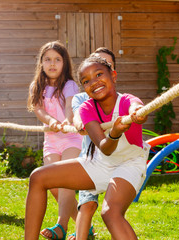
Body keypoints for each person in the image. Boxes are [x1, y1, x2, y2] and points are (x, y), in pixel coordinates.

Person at [25, 55, 150, 240]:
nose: (94, 82)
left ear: (114, 76)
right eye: (86, 81)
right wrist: (114, 132)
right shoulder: (86, 108)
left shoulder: (126, 101)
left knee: (110, 212)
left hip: (130, 163)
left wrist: (136, 113)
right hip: (101, 161)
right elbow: (105, 147)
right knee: (38, 177)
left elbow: (136, 108)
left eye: (99, 74)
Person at [27, 41, 83, 239]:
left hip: (71, 138)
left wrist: (67, 122)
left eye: (57, 60)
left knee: (65, 180)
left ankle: (61, 226)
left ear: (64, 63)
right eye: (48, 59)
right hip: (51, 140)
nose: (52, 64)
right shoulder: (37, 86)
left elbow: (70, 106)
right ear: (41, 63)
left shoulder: (69, 85)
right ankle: (84, 223)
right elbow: (38, 110)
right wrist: (52, 121)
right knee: (51, 184)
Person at [68, 47, 116, 240]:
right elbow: (79, 114)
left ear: (113, 73)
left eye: (104, 67)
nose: (97, 78)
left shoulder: (118, 99)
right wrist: (80, 123)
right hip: (91, 159)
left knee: (113, 210)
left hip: (116, 160)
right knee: (87, 204)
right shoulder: (81, 98)